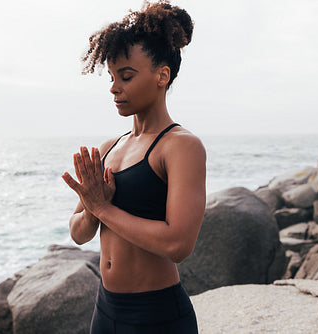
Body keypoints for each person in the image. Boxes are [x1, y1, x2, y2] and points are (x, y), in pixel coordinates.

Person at [61, 1, 206, 333]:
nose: (114, 87)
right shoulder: (108, 148)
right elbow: (78, 233)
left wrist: (102, 207)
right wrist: (91, 212)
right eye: (112, 77)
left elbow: (178, 245)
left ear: (161, 75)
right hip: (106, 310)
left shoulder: (180, 146)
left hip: (157, 315)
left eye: (126, 76)